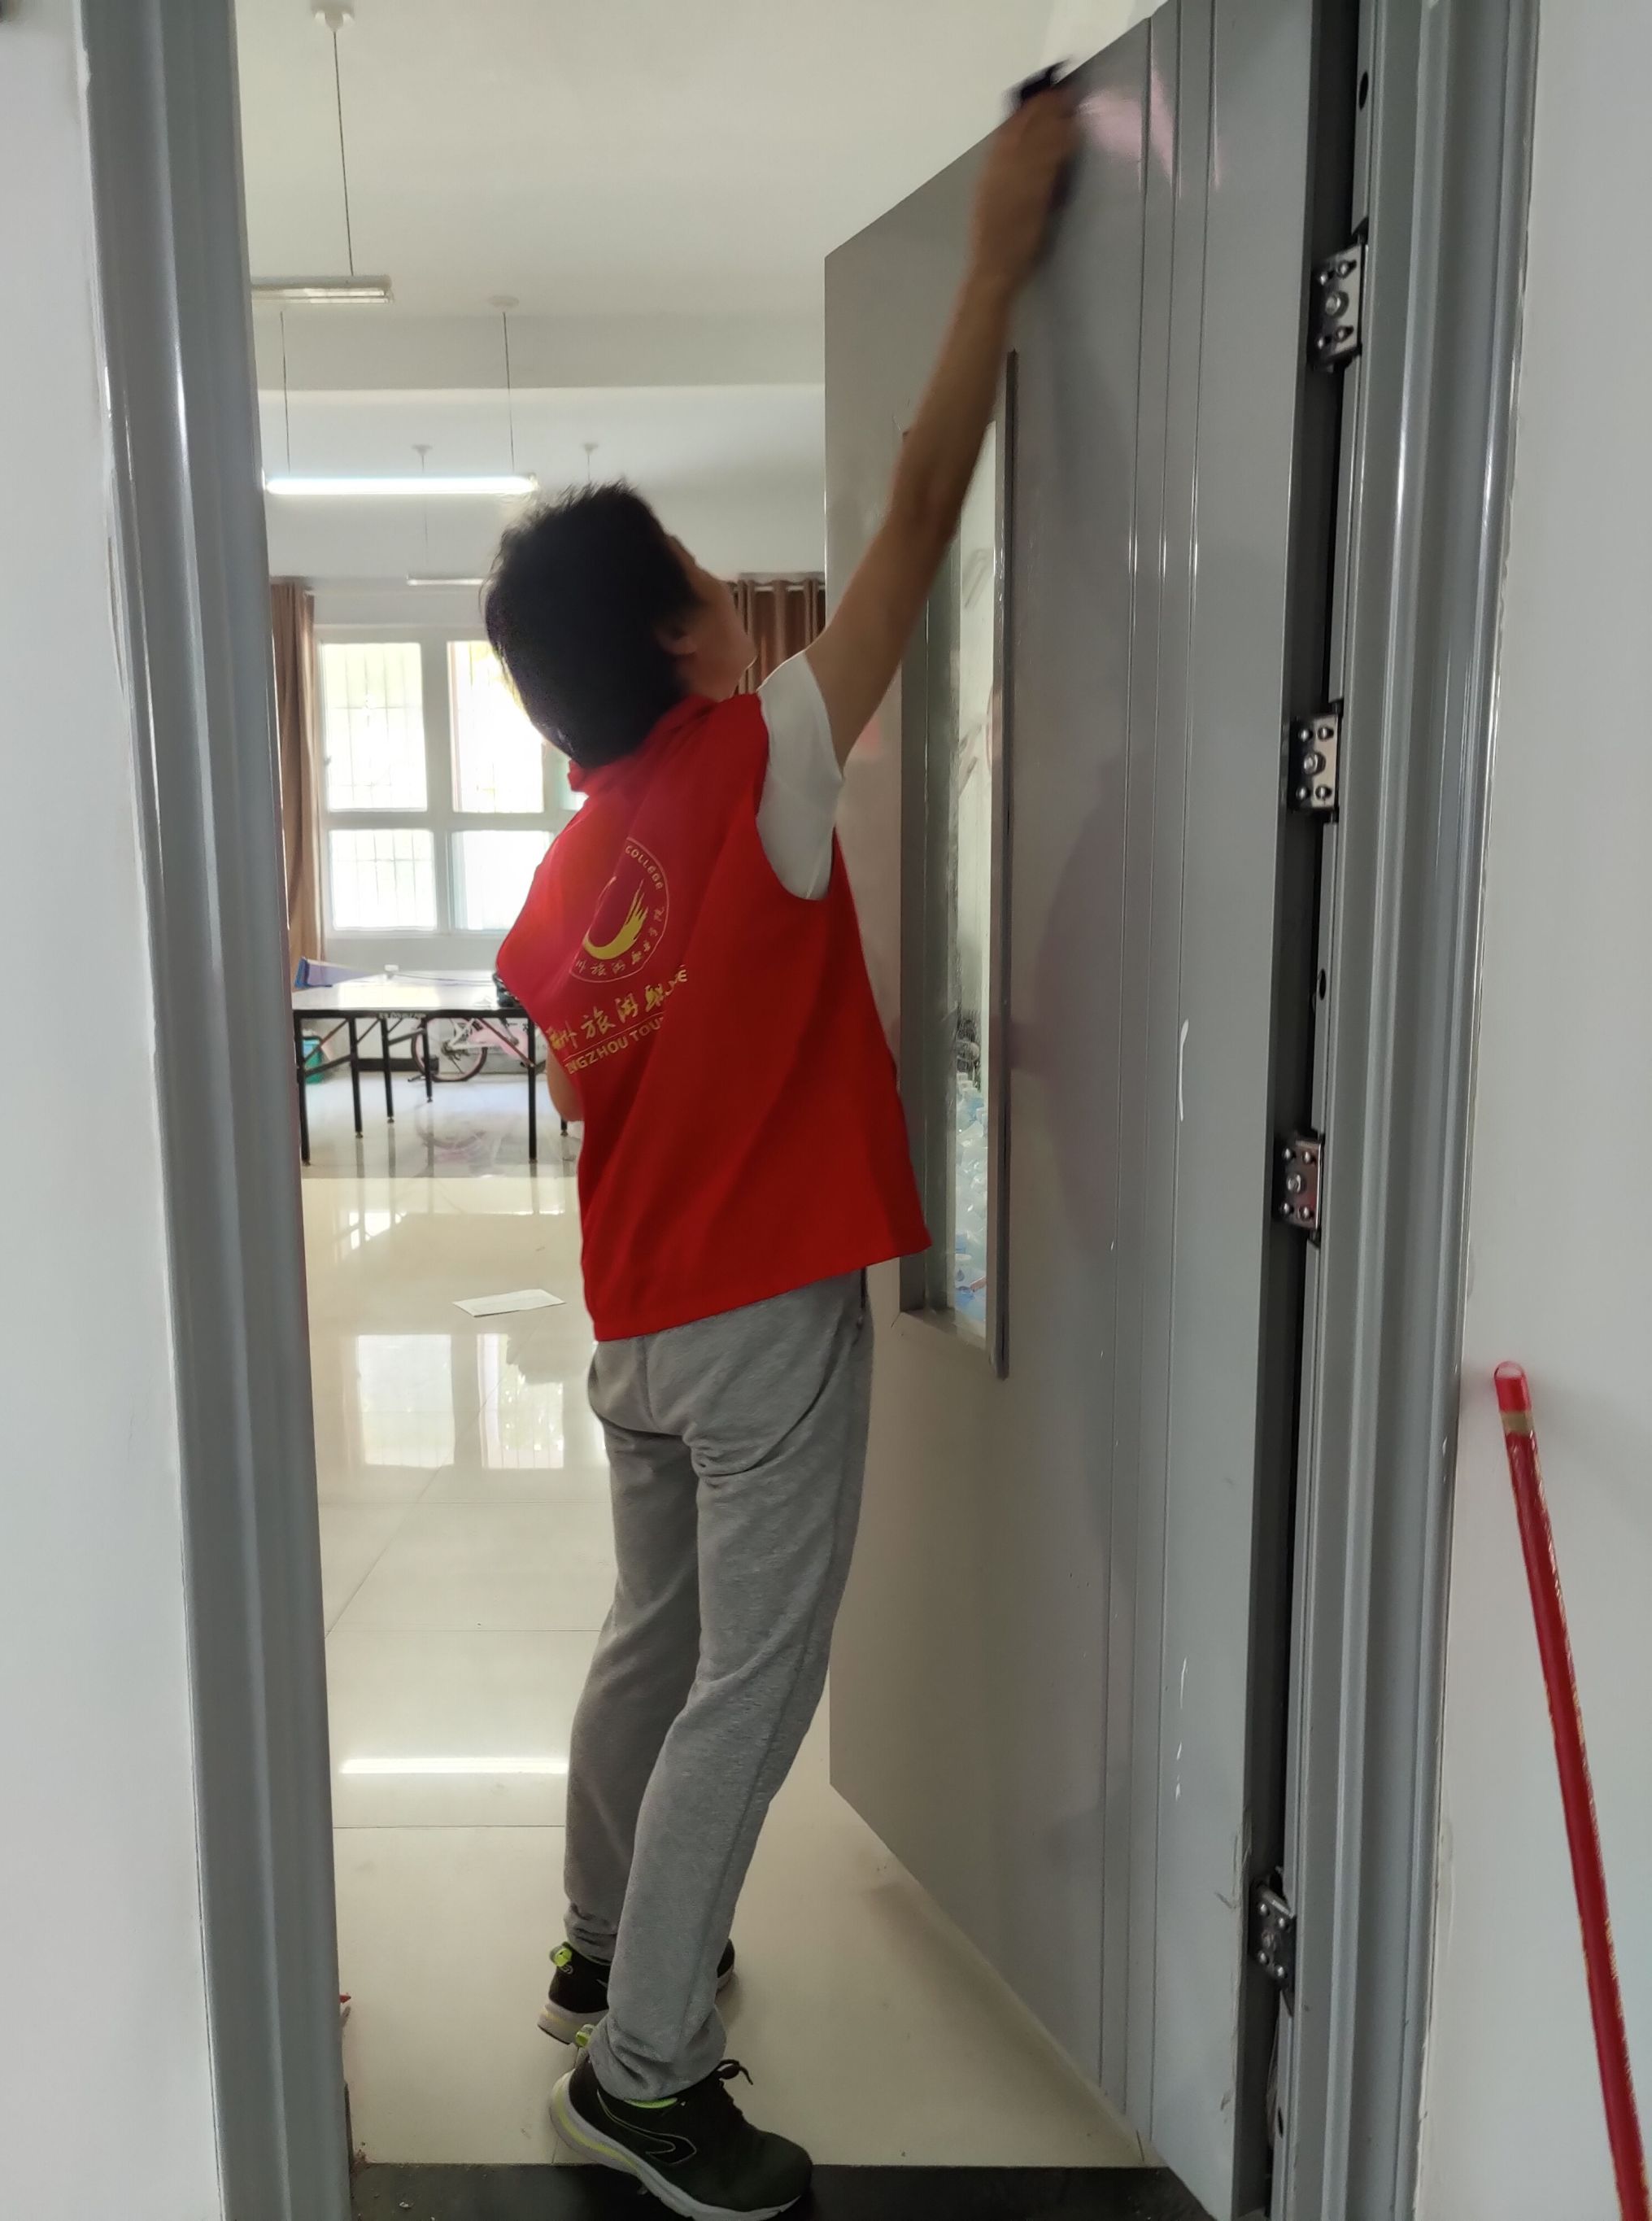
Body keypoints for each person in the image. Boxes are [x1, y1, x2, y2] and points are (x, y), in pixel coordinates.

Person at [485, 87, 1076, 2221]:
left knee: (651, 1640)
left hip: (636, 1328)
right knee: (752, 1679)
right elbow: (918, 509)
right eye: (703, 577)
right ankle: (646, 2072)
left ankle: (596, 1942)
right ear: (677, 641)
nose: (737, 590)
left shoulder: (562, 889)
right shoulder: (765, 762)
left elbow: (604, 1081)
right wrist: (994, 257)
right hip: (757, 1326)